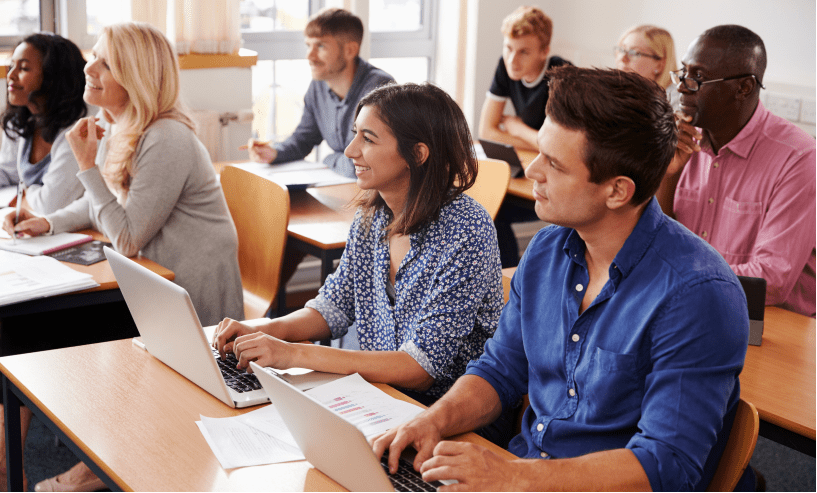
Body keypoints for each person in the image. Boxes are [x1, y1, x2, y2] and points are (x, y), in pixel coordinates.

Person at [373, 67, 751, 492]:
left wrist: (513, 476)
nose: (532, 171)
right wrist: (432, 421)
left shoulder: (699, 295)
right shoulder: (547, 251)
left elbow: (665, 466)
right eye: (539, 152)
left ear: (617, 191)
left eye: (553, 163)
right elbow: (500, 370)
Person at [5, 22, 244, 492]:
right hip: (149, 282)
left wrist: (86, 164)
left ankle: (93, 466)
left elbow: (128, 234)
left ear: (135, 75)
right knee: (18, 329)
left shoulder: (166, 137)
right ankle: (29, 461)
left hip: (188, 296)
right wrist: (48, 222)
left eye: (106, 62)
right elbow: (104, 202)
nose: (89, 67)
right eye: (95, 56)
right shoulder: (125, 125)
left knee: (35, 329)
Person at [215, 82, 506, 419]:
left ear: (418, 154)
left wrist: (292, 354)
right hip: (379, 399)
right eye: (355, 135)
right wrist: (263, 330)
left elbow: (419, 368)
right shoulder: (371, 218)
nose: (350, 150)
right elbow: (333, 307)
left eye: (368, 139)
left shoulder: (467, 230)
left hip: (445, 418)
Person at [657, 25, 816, 317]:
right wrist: (666, 171)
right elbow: (653, 241)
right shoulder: (684, 139)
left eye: (698, 77)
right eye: (683, 72)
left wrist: (672, 279)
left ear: (743, 87)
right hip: (689, 306)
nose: (681, 86)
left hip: (766, 322)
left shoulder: (798, 157)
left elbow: (769, 280)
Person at [245, 7, 394, 179]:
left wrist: (329, 159)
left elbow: (368, 164)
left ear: (350, 50)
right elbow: (303, 140)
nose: (310, 56)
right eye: (308, 45)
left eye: (320, 46)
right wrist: (274, 153)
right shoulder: (317, 87)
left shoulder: (379, 89)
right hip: (346, 187)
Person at [0, 33, 87, 214]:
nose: (10, 76)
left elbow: (51, 204)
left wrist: (24, 194)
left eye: (23, 68)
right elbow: (9, 173)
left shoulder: (79, 129)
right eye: (11, 66)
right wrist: (22, 196)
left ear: (52, 76)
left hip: (73, 230)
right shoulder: (20, 120)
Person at [478, 5, 571, 151]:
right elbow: (486, 132)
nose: (512, 61)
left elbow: (559, 147)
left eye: (524, 52)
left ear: (544, 52)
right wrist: (537, 142)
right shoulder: (504, 65)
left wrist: (517, 129)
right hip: (535, 155)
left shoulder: (562, 73)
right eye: (508, 48)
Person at [614, 24, 679, 107]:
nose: (623, 58)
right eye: (621, 50)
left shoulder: (675, 102)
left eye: (634, 53)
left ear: (659, 65)